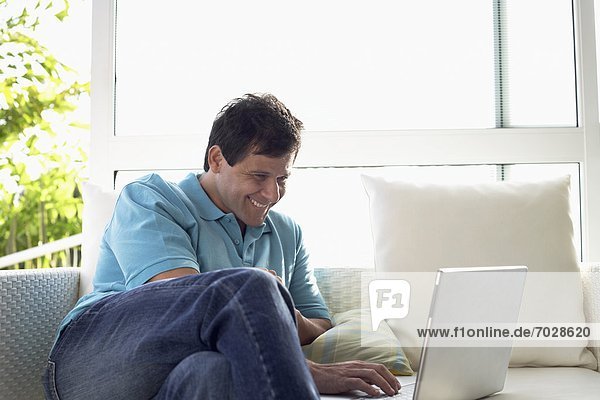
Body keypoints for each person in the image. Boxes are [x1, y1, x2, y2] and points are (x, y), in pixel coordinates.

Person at [43, 93, 401, 399]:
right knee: (251, 285)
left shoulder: (287, 234)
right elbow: (180, 299)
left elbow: (319, 323)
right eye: (259, 176)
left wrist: (275, 312)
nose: (272, 194)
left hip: (176, 380)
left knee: (215, 372)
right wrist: (266, 310)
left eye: (281, 179)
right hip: (90, 363)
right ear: (217, 160)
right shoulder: (151, 200)